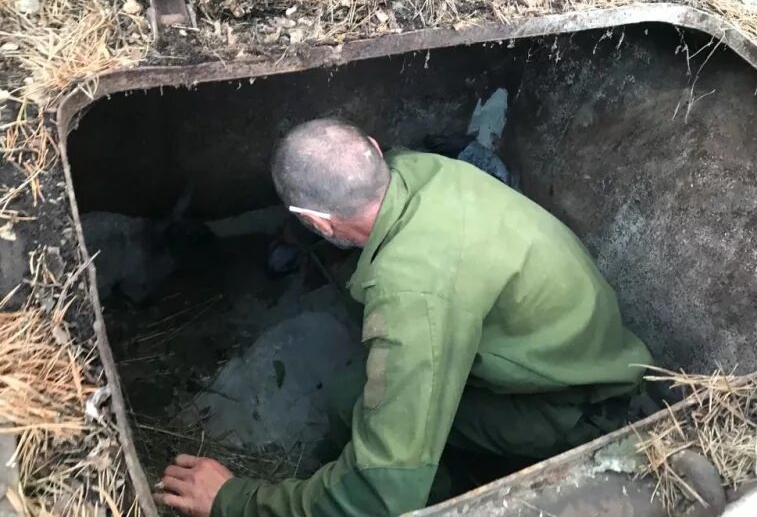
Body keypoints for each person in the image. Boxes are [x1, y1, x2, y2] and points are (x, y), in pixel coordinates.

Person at [156, 118, 653, 517]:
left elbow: (380, 493)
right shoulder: (419, 168)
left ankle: (446, 491)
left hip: (578, 409)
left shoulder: (412, 296)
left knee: (360, 419)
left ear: (315, 223)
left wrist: (234, 500)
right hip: (590, 352)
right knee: (358, 396)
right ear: (373, 148)